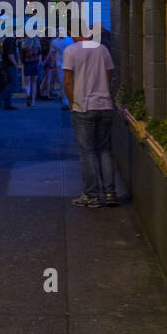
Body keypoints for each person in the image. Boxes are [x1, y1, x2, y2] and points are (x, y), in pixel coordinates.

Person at [62, 35, 118, 208]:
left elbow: (68, 81)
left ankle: (92, 196)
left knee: (88, 152)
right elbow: (109, 74)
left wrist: (72, 104)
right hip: (104, 104)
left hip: (83, 106)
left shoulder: (71, 50)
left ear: (73, 33)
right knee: (105, 151)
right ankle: (110, 194)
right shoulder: (102, 49)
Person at [50, 34, 75, 108]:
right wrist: (53, 63)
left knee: (69, 83)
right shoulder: (55, 42)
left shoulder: (70, 40)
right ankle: (66, 101)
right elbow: (53, 53)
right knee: (63, 83)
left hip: (69, 65)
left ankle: (70, 100)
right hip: (60, 65)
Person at [20, 33, 42, 107]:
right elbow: (39, 56)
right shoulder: (38, 46)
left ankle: (28, 95)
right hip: (35, 65)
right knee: (34, 84)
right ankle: (33, 101)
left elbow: (22, 57)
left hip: (27, 65)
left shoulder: (25, 46)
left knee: (27, 83)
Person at [0, 33, 19, 109]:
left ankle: (7, 104)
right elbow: (10, 54)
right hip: (10, 65)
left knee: (9, 83)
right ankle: (0, 97)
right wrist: (15, 64)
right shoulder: (10, 40)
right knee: (13, 84)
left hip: (8, 65)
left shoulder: (9, 39)